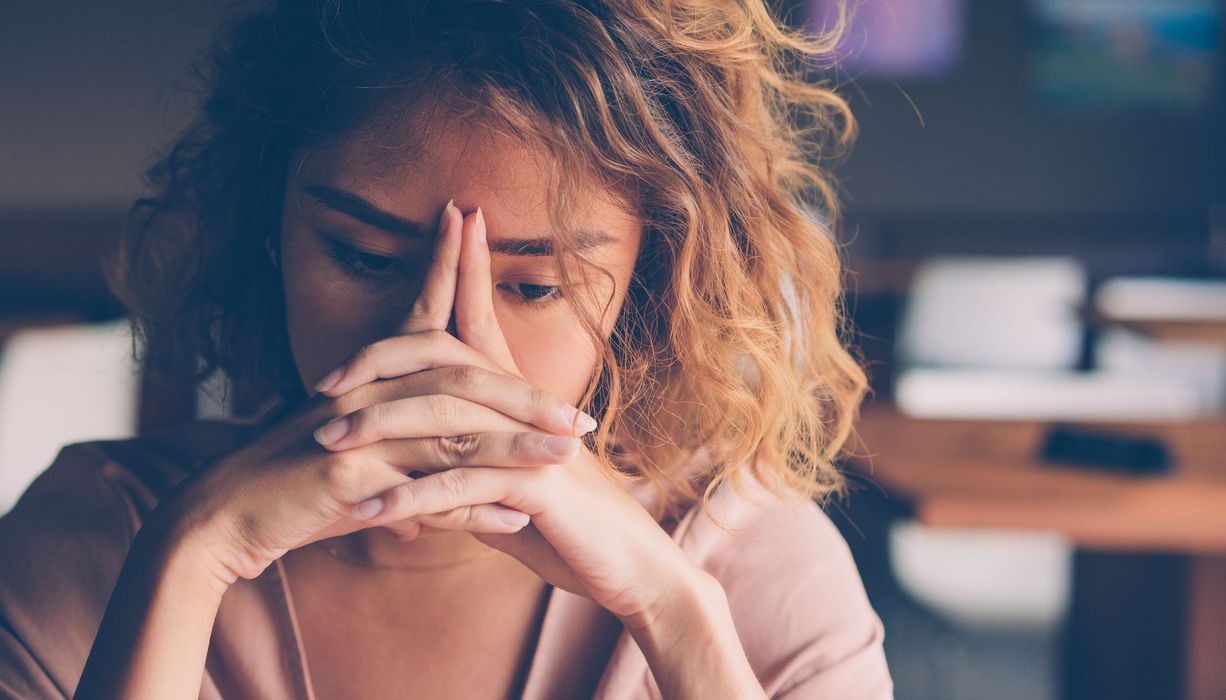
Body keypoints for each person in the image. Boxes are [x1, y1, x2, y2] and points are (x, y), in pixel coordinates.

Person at [0, 0, 893, 697]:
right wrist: (193, 559)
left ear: (648, 286)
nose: (443, 349)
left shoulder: (754, 572)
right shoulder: (98, 540)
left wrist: (677, 617)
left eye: (535, 286)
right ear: (267, 228)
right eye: (363, 257)